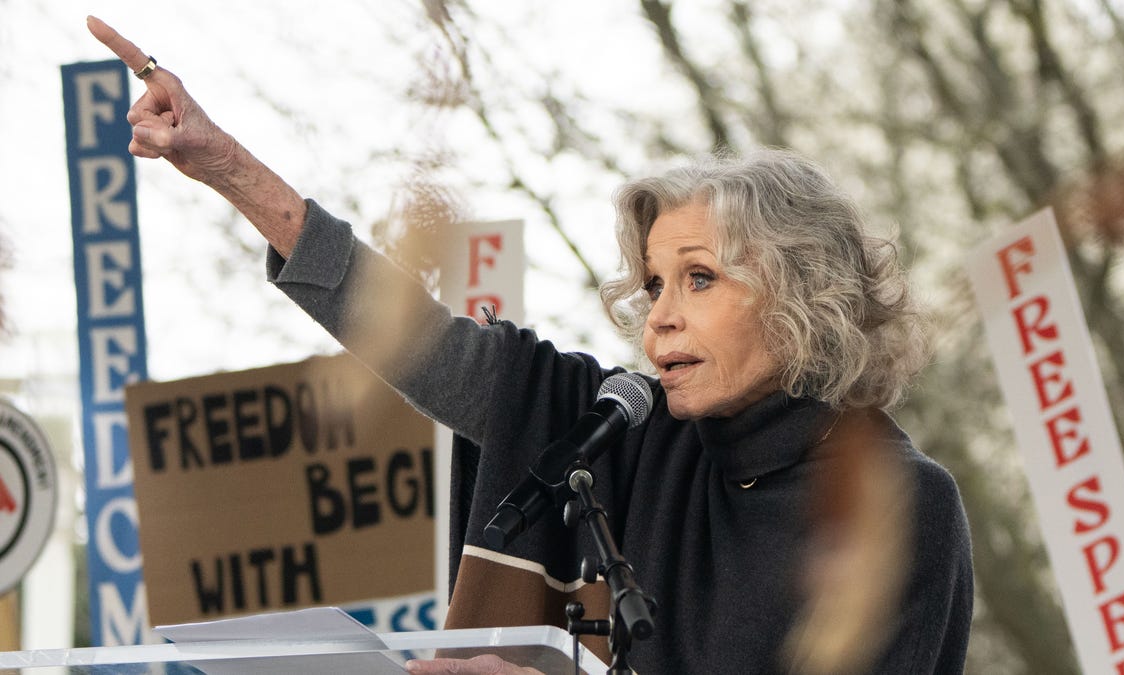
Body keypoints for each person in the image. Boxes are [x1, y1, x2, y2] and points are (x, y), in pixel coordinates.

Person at [89, 16, 973, 675]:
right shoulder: (613, 433)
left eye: (699, 278)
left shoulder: (899, 506)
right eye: (655, 283)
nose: (659, 314)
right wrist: (229, 169)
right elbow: (419, 340)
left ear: (803, 297)